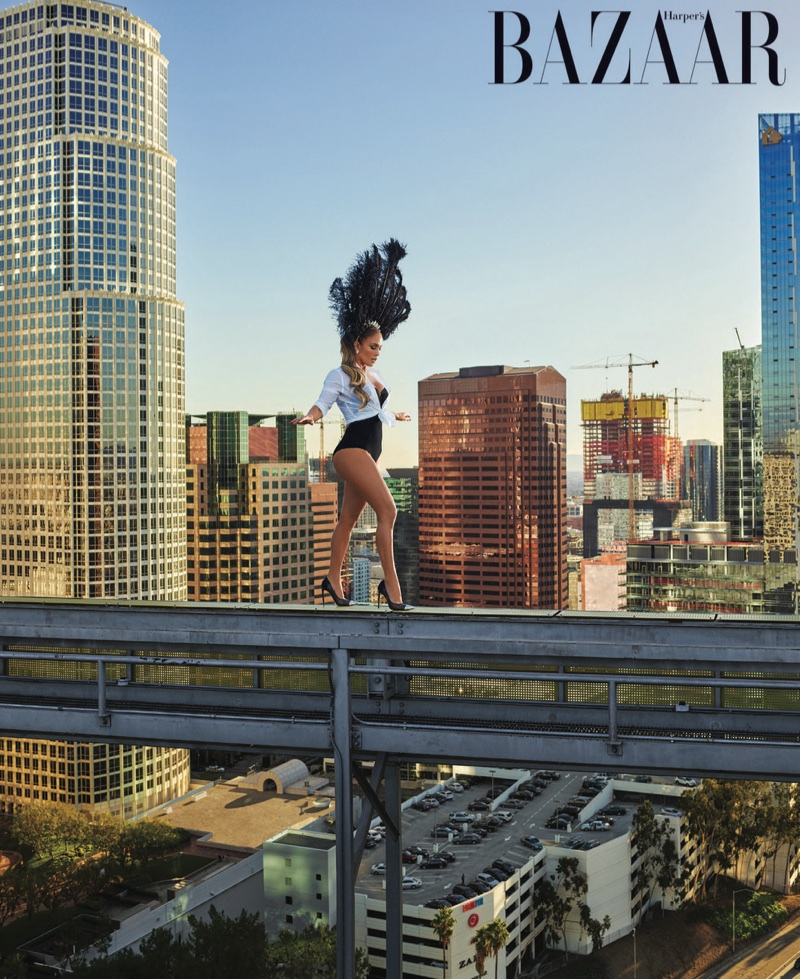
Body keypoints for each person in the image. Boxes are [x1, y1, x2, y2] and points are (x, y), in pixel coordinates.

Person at [293, 239, 413, 611]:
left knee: (346, 521)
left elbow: (376, 412)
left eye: (380, 346)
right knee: (389, 511)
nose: (378, 351)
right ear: (357, 344)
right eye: (373, 346)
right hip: (351, 452)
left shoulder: (373, 374)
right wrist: (311, 417)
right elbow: (323, 403)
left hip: (366, 451)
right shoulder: (341, 374)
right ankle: (392, 591)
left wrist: (396, 414)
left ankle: (332, 578)